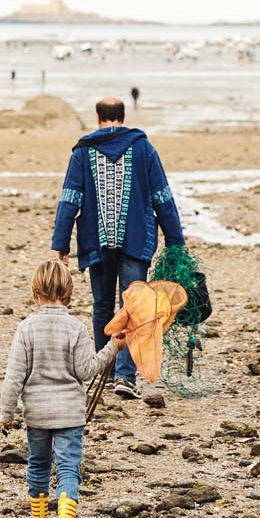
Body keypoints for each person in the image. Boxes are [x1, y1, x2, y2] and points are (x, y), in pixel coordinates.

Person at [51, 97, 185, 401]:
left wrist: (61, 243)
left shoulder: (83, 152)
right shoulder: (143, 148)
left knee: (102, 307)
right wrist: (176, 241)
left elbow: (69, 198)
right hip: (136, 240)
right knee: (135, 308)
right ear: (122, 118)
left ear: (99, 118)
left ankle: (106, 370)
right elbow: (163, 197)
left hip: (94, 240)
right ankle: (125, 376)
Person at [0, 256, 123, 518]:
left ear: (35, 292)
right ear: (68, 293)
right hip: (69, 414)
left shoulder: (26, 329)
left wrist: (7, 414)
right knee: (68, 467)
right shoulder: (76, 328)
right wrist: (113, 347)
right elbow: (87, 371)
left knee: (38, 464)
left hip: (38, 415)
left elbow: (14, 377)